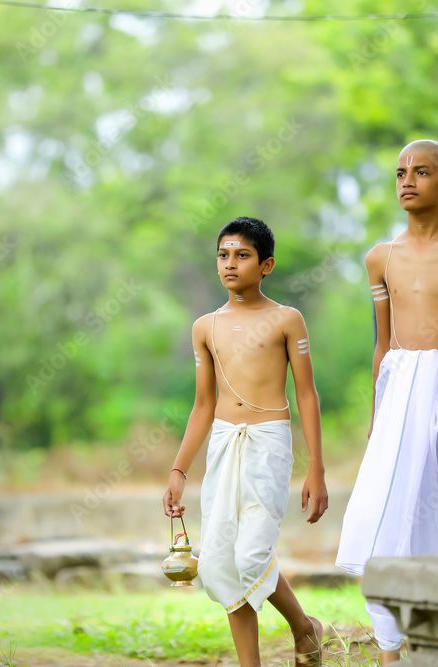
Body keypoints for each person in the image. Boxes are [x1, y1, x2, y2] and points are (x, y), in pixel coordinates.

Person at [335, 140, 438, 665]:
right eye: (400, 172)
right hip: (399, 394)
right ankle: (390, 650)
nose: (407, 180)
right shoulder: (380, 258)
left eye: (421, 172)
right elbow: (382, 346)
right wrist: (379, 423)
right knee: (382, 511)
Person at [163, 216, 329, 667]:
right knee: (219, 561)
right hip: (222, 444)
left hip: (269, 443)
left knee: (252, 554)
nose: (230, 264)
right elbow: (202, 405)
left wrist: (317, 468)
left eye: (242, 255)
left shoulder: (286, 320)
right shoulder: (205, 327)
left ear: (266, 264)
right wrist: (179, 470)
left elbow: (307, 395)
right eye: (223, 254)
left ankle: (303, 627)